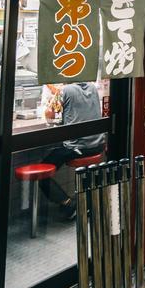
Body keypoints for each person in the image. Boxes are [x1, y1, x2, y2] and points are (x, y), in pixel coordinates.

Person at [40, 81, 106, 220]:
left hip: (78, 146)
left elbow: (49, 114)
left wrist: (54, 95)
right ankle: (87, 203)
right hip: (97, 145)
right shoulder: (92, 88)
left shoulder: (64, 90)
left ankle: (69, 204)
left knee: (42, 173)